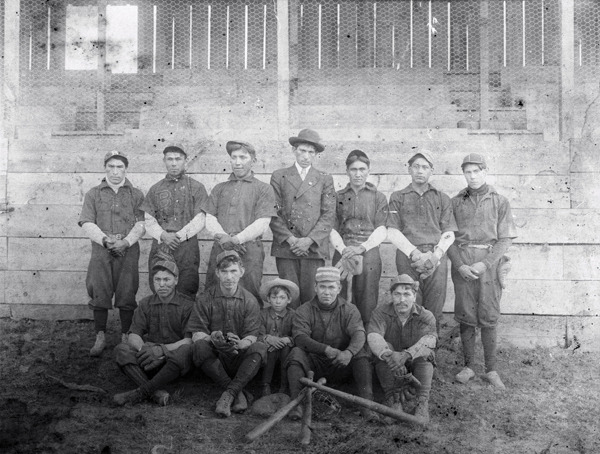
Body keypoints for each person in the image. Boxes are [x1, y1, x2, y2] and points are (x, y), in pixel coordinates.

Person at [446, 153, 517, 389]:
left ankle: (491, 370)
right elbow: (449, 239)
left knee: (488, 315)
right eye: (468, 172)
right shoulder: (456, 202)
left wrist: (485, 264)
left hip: (488, 263)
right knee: (466, 314)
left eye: (477, 171)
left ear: (485, 171)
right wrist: (459, 265)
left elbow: (504, 240)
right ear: (463, 174)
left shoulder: (499, 201)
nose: (472, 176)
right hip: (464, 262)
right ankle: (469, 367)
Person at [285, 266, 378, 421]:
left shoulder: (349, 309)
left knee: (361, 352)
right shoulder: (304, 310)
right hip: (315, 366)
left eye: (331, 287)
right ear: (315, 287)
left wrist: (349, 352)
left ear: (339, 288)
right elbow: (300, 338)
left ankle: (367, 404)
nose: (326, 292)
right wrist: (326, 349)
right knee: (296, 353)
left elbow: (359, 333)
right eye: (322, 287)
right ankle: (296, 403)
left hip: (341, 363)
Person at [79, 151, 145, 357]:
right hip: (102, 249)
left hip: (128, 249)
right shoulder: (93, 194)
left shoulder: (136, 194)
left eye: (120, 167)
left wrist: (126, 242)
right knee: (99, 289)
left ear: (126, 169)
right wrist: (106, 241)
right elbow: (87, 222)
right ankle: (100, 335)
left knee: (127, 290)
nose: (115, 172)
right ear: (105, 168)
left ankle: (126, 335)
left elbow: (142, 223)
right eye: (111, 167)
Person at [188, 251, 267, 418]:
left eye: (233, 271)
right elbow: (196, 333)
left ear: (242, 272)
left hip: (239, 358)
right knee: (199, 346)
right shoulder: (205, 298)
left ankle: (228, 393)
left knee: (259, 347)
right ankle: (236, 392)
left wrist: (241, 343)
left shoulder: (250, 300)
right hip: (215, 360)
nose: (229, 277)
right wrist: (211, 338)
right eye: (224, 272)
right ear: (217, 273)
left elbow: (253, 335)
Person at [386, 152, 457, 334]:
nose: (420, 171)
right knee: (409, 304)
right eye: (416, 166)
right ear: (409, 169)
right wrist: (415, 253)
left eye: (425, 167)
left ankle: (429, 353)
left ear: (431, 171)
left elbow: (448, 232)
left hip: (436, 259)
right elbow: (392, 231)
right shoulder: (398, 197)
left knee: (434, 306)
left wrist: (435, 256)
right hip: (408, 257)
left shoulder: (442, 198)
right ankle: (410, 354)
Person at [113, 260, 194, 406]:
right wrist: (143, 350)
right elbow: (134, 334)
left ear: (176, 280)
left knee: (186, 351)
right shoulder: (145, 303)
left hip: (173, 360)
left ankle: (141, 391)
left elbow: (189, 341)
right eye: (157, 280)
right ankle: (155, 392)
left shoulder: (188, 305)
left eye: (166, 279)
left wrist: (161, 350)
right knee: (122, 349)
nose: (162, 284)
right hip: (150, 359)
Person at [270, 129, 336, 307]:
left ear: (316, 155)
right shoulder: (279, 176)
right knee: (288, 296)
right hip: (286, 247)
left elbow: (329, 214)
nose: (306, 156)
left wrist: (309, 241)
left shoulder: (324, 178)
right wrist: (292, 240)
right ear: (294, 150)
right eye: (302, 151)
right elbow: (273, 212)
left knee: (310, 297)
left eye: (311, 152)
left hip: (313, 249)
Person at [204, 141, 276, 300]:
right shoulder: (219, 188)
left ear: (253, 161)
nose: (237, 162)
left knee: (249, 295)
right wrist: (224, 238)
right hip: (221, 247)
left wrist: (236, 239)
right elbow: (209, 218)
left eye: (243, 157)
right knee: (214, 294)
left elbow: (263, 222)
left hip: (249, 251)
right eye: (234, 157)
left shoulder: (263, 189)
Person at [367, 274, 437, 424]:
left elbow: (430, 340)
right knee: (383, 353)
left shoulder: (426, 315)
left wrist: (406, 355)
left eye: (407, 294)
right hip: (391, 364)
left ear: (414, 296)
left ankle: (422, 402)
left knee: (426, 354)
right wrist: (389, 355)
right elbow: (373, 336)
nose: (402, 300)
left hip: (414, 362)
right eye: (397, 294)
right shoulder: (380, 312)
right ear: (391, 295)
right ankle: (393, 399)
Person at [142, 145, 209, 298]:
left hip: (186, 245)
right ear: (164, 161)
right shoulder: (155, 189)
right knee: (160, 285)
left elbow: (201, 218)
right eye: (170, 159)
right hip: (162, 244)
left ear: (185, 160)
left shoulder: (197, 187)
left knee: (187, 285)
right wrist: (163, 236)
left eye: (178, 159)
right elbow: (148, 219)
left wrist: (179, 236)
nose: (174, 163)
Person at [329, 150, 388, 323]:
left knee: (367, 299)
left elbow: (382, 228)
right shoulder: (337, 197)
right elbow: (331, 228)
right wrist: (344, 249)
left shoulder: (378, 197)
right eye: (353, 169)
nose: (358, 174)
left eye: (362, 169)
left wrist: (362, 247)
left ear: (368, 171)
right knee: (340, 297)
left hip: (369, 253)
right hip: (343, 251)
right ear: (347, 171)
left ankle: (365, 341)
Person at [257, 278, 299, 396]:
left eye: (282, 298)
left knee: (285, 348)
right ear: (269, 299)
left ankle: (284, 385)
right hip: (268, 350)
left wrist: (288, 339)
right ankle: (265, 384)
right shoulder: (262, 314)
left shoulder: (293, 315)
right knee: (270, 350)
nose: (278, 302)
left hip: (286, 350)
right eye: (274, 298)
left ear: (289, 299)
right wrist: (268, 338)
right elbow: (258, 333)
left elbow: (298, 334)